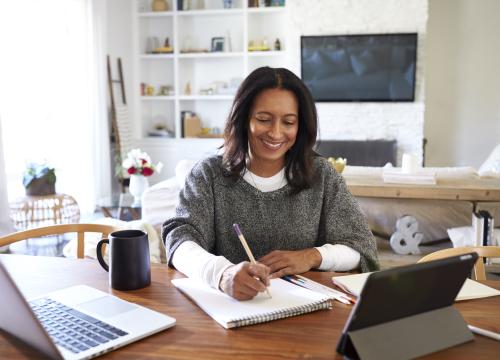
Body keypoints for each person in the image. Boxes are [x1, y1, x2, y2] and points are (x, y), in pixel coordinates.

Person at [163, 67, 379, 300]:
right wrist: (222, 274)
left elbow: (362, 249)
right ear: (244, 119)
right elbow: (179, 240)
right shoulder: (209, 175)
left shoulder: (322, 175)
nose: (276, 133)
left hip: (306, 313)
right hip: (232, 310)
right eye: (264, 119)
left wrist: (311, 256)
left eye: (288, 122)